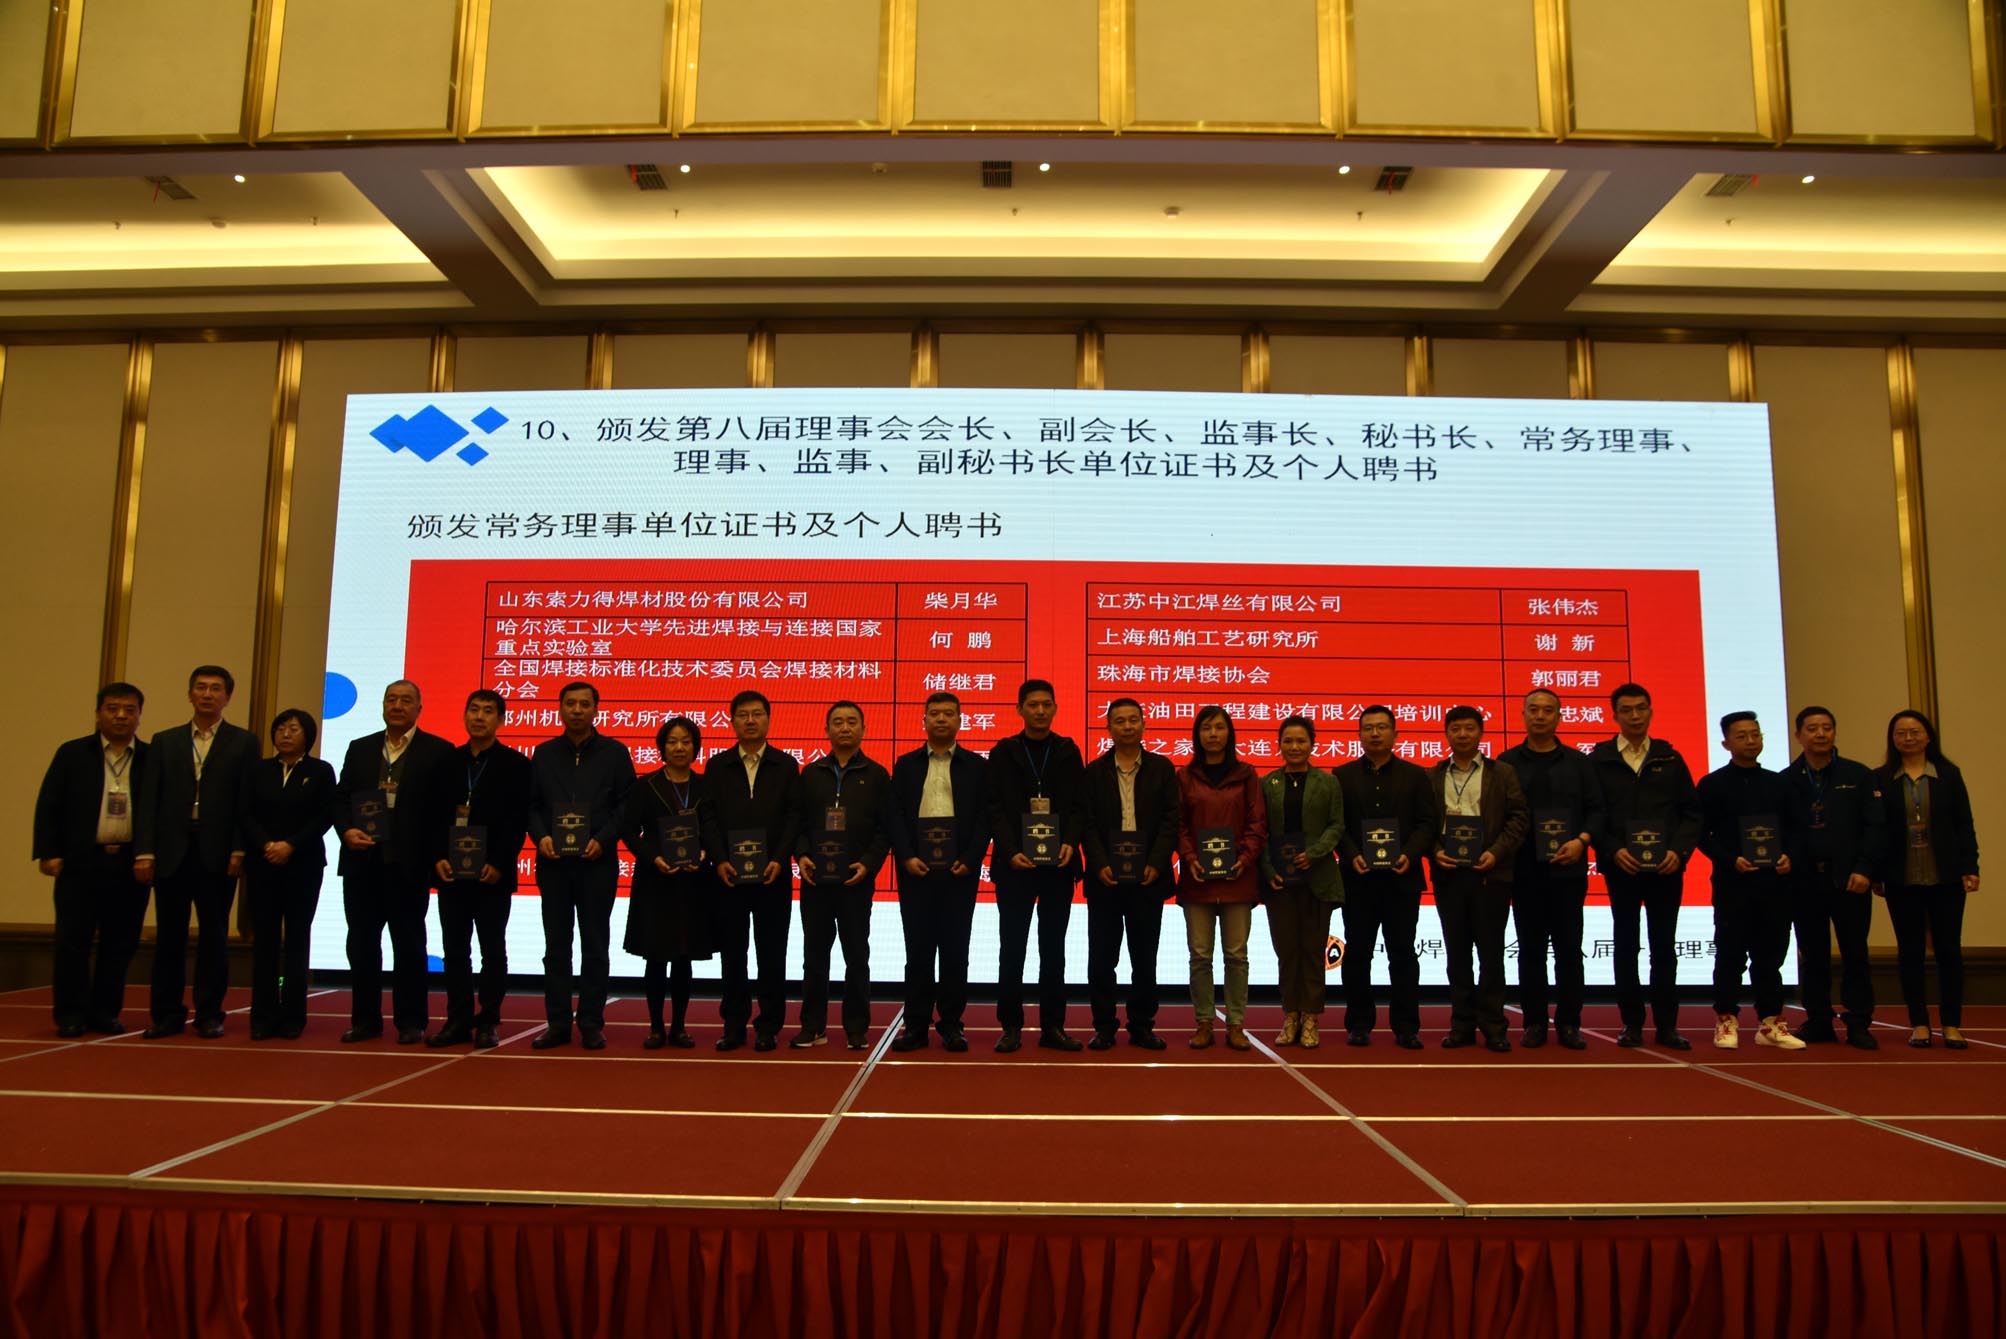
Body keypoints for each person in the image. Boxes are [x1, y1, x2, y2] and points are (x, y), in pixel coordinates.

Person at [134, 665, 257, 1039]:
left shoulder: (244, 742)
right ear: (190, 694)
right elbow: (149, 800)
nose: (207, 694)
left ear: (227, 697)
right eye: (200, 688)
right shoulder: (165, 741)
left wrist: (239, 847)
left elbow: (246, 802)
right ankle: (166, 1014)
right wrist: (145, 851)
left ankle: (209, 1013)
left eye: (215, 688)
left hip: (218, 853)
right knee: (169, 937)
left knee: (215, 937)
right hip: (172, 851)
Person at [333, 679, 453, 1044]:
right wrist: (347, 831)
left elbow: (443, 812)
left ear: (419, 708)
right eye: (391, 699)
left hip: (409, 867)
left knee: (410, 946)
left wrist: (435, 856)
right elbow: (340, 799)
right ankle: (365, 1021)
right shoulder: (360, 748)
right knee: (361, 946)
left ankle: (411, 1021)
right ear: (383, 705)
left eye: (405, 700)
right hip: (362, 864)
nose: (397, 706)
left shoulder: (438, 751)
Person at [33, 683, 150, 1037]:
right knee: (73, 941)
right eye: (113, 708)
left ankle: (105, 1013)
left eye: (129, 710)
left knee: (121, 942)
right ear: (98, 713)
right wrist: (48, 852)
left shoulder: (151, 757)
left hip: (129, 864)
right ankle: (70, 1014)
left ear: (139, 716)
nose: (121, 716)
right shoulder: (72, 753)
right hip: (80, 862)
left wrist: (150, 855)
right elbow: (49, 804)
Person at [1590, 683, 1701, 1050]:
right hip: (1622, 867)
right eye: (1627, 710)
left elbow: (1691, 814)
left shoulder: (1670, 758)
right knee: (1626, 945)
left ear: (1651, 712)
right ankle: (1632, 1023)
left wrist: (1679, 852)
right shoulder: (1600, 760)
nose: (1635, 716)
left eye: (1641, 708)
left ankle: (1667, 1026)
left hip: (1666, 868)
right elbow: (1593, 814)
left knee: (1663, 946)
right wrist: (1612, 850)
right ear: (1615, 715)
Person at [527, 680, 636, 1050]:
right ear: (560, 708)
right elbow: (531, 805)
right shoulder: (544, 753)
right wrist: (541, 836)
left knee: (595, 945)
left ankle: (591, 1022)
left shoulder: (615, 753)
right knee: (556, 946)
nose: (576, 710)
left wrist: (602, 839)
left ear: (595, 709)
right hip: (554, 863)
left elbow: (625, 806)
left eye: (584, 704)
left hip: (597, 863)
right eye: (570, 704)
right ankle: (557, 1023)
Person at [1498, 689, 1604, 1050]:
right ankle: (1534, 1022)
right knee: (1530, 950)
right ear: (1523, 714)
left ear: (1559, 716)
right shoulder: (1507, 763)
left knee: (1569, 951)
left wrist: (1582, 840)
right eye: (1534, 710)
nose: (1540, 716)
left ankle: (1570, 1023)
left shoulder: (1579, 763)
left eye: (1548, 710)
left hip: (1568, 871)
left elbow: (1597, 810)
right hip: (1523, 871)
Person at [424, 689, 530, 1049]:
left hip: (492, 875)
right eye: (473, 710)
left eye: (487, 711)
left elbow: (517, 822)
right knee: (455, 950)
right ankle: (457, 1019)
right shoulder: (446, 762)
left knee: (492, 949)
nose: (479, 717)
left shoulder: (516, 765)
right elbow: (431, 815)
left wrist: (499, 862)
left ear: (500, 719)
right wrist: (437, 856)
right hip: (451, 873)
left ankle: (488, 1020)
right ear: (465, 715)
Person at [986, 679, 1087, 1052]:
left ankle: (1053, 1027)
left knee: (1053, 949)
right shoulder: (1003, 752)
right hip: (1015, 865)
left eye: (1047, 704)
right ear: (1020, 709)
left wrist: (1070, 841)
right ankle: (1010, 1026)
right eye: (1033, 705)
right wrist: (1010, 849)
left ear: (1055, 708)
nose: (1040, 711)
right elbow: (994, 807)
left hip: (1057, 866)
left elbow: (1079, 806)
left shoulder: (1067, 751)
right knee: (1012, 948)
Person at [886, 691, 990, 1052]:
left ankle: (951, 1024)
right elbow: (895, 815)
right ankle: (915, 1025)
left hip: (959, 871)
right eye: (934, 714)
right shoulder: (906, 765)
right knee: (917, 951)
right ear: (924, 720)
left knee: (955, 950)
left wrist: (971, 858)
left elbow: (984, 818)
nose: (941, 719)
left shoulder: (976, 766)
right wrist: (906, 856)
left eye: (948, 713)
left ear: (960, 720)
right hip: (916, 871)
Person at [1697, 712, 1803, 1051]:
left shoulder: (1780, 783)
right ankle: (1726, 1018)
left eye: (1755, 734)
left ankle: (1770, 1022)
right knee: (1730, 955)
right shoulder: (1712, 785)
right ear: (1726, 743)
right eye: (1741, 736)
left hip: (1775, 885)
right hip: (1733, 884)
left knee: (1770, 956)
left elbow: (1797, 830)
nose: (1750, 741)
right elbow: (1700, 835)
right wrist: (1730, 859)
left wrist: (1789, 856)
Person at [789, 700, 891, 1050]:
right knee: (814, 957)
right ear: (826, 730)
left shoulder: (877, 775)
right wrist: (802, 855)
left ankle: (856, 1027)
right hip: (816, 881)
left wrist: (868, 864)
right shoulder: (811, 773)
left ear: (863, 729)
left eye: (851, 722)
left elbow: (884, 829)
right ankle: (812, 1026)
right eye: (838, 722)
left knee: (856, 956)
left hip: (855, 881)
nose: (845, 728)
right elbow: (798, 822)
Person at [1876, 710, 1981, 1049]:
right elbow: (1876, 831)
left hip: (1945, 876)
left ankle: (1951, 1023)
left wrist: (1971, 866)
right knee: (1910, 953)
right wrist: (1877, 873)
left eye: (1915, 732)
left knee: (1949, 950)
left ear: (1928, 736)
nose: (1908, 738)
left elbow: (1964, 824)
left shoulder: (1948, 775)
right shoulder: (1882, 778)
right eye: (1901, 733)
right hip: (1901, 878)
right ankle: (1919, 1023)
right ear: (1893, 739)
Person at [1333, 705, 1437, 1049]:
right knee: (1357, 954)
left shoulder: (1416, 775)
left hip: (1401, 880)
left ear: (1395, 733)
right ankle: (1359, 1023)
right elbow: (1337, 825)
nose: (1375, 734)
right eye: (1368, 728)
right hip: (1358, 879)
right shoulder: (1342, 776)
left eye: (1381, 727)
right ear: (1359, 735)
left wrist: (1410, 853)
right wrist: (1352, 854)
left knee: (1402, 954)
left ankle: (1406, 1026)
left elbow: (1428, 823)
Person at [1426, 706, 1529, 1053]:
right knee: (1457, 955)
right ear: (1446, 734)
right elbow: (1424, 822)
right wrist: (1434, 850)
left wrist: (1496, 853)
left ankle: (1494, 1027)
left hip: (1490, 873)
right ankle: (1462, 1025)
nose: (1462, 734)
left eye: (1469, 728)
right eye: (1456, 728)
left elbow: (1518, 818)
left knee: (1491, 954)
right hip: (1449, 874)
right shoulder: (1433, 775)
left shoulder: (1502, 773)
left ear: (1481, 733)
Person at [1080, 698, 1179, 1051]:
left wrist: (1156, 862)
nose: (1126, 726)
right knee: (1102, 959)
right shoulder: (1094, 771)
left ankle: (1142, 1026)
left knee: (1144, 957)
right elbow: (1086, 823)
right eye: (1119, 721)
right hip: (1105, 879)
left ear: (1143, 724)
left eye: (1132, 720)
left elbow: (1171, 820)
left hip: (1148, 879)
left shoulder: (1162, 769)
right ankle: (1104, 1027)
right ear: (1109, 727)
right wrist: (1098, 863)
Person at [1783, 706, 1885, 1049]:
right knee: (1812, 955)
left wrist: (1865, 868)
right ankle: (1819, 1020)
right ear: (1799, 735)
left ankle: (1858, 1022)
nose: (1821, 734)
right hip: (1804, 882)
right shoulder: (1787, 779)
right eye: (1812, 728)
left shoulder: (1858, 775)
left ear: (1835, 732)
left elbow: (1875, 826)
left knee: (1855, 954)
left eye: (1827, 727)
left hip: (1850, 879)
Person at [703, 689, 798, 1052]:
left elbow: (793, 817)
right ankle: (733, 1024)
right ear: (732, 721)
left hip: (773, 875)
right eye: (743, 714)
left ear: (768, 719)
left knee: (772, 953)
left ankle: (769, 1025)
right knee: (733, 953)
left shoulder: (785, 765)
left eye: (757, 714)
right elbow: (708, 817)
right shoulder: (718, 766)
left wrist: (780, 858)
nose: (750, 720)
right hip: (728, 876)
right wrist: (719, 859)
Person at [621, 716, 718, 1048]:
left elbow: (715, 828)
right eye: (672, 741)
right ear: (662, 747)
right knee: (656, 956)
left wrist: (706, 852)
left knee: (684, 956)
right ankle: (655, 1027)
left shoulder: (705, 787)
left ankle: (679, 1026)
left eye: (686, 741)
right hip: (656, 880)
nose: (679, 747)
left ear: (695, 747)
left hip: (694, 881)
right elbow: (629, 830)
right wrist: (653, 857)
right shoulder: (645, 785)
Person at [240, 708, 336, 1041]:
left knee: (297, 938)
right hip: (263, 863)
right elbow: (245, 813)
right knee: (265, 939)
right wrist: (266, 844)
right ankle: (263, 1016)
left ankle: (293, 1017)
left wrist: (291, 845)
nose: (285, 734)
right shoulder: (259, 770)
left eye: (293, 729)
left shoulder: (320, 771)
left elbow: (324, 816)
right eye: (281, 728)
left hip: (303, 864)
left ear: (307, 735)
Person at [1175, 705, 1266, 1051]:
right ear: (1197, 735)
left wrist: (1244, 859)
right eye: (1206, 728)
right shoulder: (1185, 777)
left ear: (1229, 733)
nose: (1213, 734)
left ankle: (1236, 1024)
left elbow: (1257, 823)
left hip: (1238, 880)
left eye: (1219, 727)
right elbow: (1178, 825)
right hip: (1197, 879)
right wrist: (1189, 858)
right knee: (1200, 956)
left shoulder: (1246, 775)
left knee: (1236, 955)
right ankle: (1203, 1022)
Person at [1257, 715, 1344, 1049]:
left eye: (1301, 741)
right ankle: (1290, 1015)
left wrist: (1316, 852)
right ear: (1279, 745)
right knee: (1287, 952)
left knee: (1312, 951)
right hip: (1280, 882)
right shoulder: (1267, 784)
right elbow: (1260, 831)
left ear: (1312, 744)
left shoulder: (1328, 783)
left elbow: (1337, 825)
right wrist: (1268, 870)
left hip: (1317, 879)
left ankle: (1311, 1017)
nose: (1294, 747)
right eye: (1288, 741)